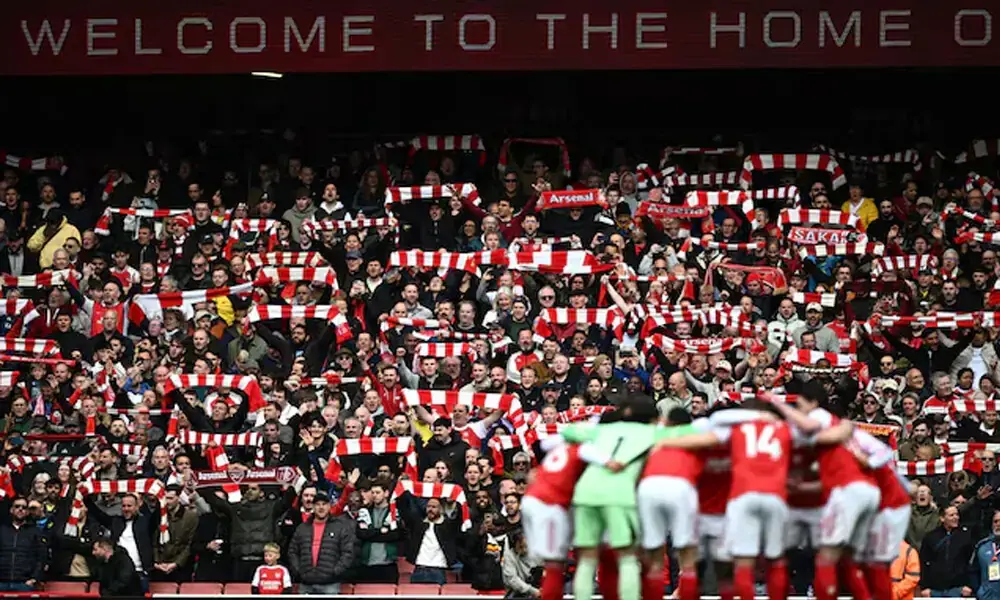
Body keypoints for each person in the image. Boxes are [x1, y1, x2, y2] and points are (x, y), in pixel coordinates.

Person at [287, 491, 356, 594]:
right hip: (306, 583)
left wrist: (335, 571)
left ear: (329, 506)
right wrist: (299, 571)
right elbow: (292, 551)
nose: (321, 507)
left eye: (324, 504)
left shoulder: (340, 527)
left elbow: (348, 553)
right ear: (313, 507)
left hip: (330, 584)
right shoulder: (302, 528)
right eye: (318, 504)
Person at [0, 497, 45, 591]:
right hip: (1, 583)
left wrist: (34, 578)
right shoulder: (2, 530)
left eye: (24, 507)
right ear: (11, 510)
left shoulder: (35, 532)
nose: (20, 509)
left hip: (24, 584)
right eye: (17, 506)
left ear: (27, 512)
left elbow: (41, 557)